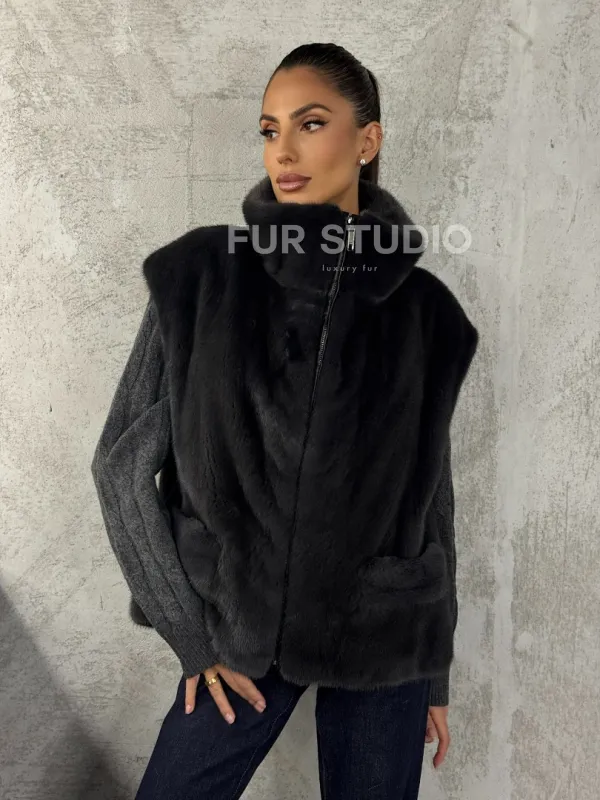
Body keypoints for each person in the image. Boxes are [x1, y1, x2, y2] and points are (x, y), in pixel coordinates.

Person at [91, 42, 478, 800]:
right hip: (240, 631)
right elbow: (120, 466)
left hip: (386, 635)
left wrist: (433, 670)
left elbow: (430, 496)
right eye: (270, 130)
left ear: (367, 140)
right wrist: (190, 635)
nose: (284, 151)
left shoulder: (426, 315)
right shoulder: (201, 280)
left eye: (311, 123)